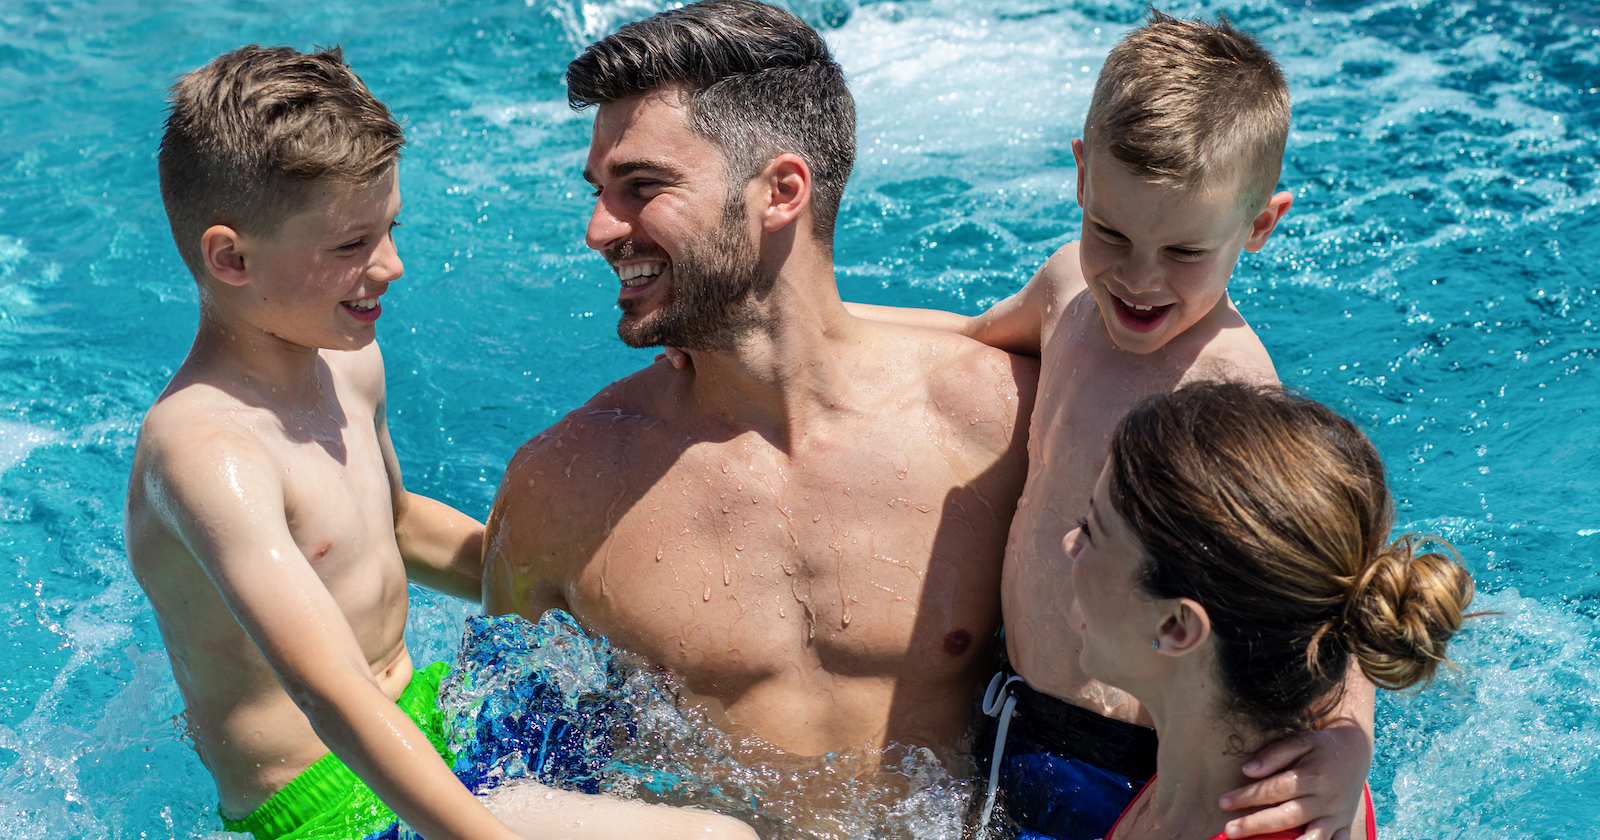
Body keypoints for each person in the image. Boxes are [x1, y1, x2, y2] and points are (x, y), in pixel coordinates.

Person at [127, 45, 753, 840]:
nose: (390, 265)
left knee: (684, 721)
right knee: (717, 839)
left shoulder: (342, 362)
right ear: (231, 258)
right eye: (350, 246)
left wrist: (591, 606)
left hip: (425, 718)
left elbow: (392, 526)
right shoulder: (207, 454)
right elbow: (335, 696)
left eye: (389, 229)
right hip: (335, 797)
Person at [483, 0, 1035, 794]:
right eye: (599, 188)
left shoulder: (1000, 424)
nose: (598, 230)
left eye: (641, 186)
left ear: (780, 191)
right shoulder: (563, 486)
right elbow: (509, 771)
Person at [848, 11, 1376, 840]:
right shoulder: (1069, 289)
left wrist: (1349, 741)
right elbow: (970, 336)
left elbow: (1322, 587)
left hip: (1125, 757)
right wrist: (798, 326)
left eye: (1184, 253)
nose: (1137, 278)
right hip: (1008, 707)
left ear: (1259, 226)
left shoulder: (1227, 391)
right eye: (1112, 232)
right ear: (1083, 176)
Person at [1071, 381, 1475, 840]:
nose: (1069, 545)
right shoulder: (1204, 777)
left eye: (1091, 530)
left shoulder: (1241, 801)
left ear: (1176, 626)